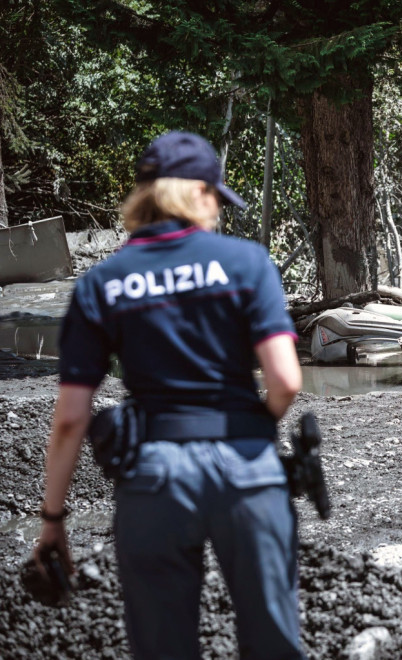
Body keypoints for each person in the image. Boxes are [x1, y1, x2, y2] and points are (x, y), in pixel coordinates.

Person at [33, 131, 305, 659]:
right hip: (247, 467)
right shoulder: (246, 263)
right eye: (217, 198)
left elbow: (69, 418)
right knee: (274, 644)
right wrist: (252, 430)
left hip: (153, 475)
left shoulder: (102, 282)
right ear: (198, 192)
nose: (218, 211)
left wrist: (53, 520)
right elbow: (287, 381)